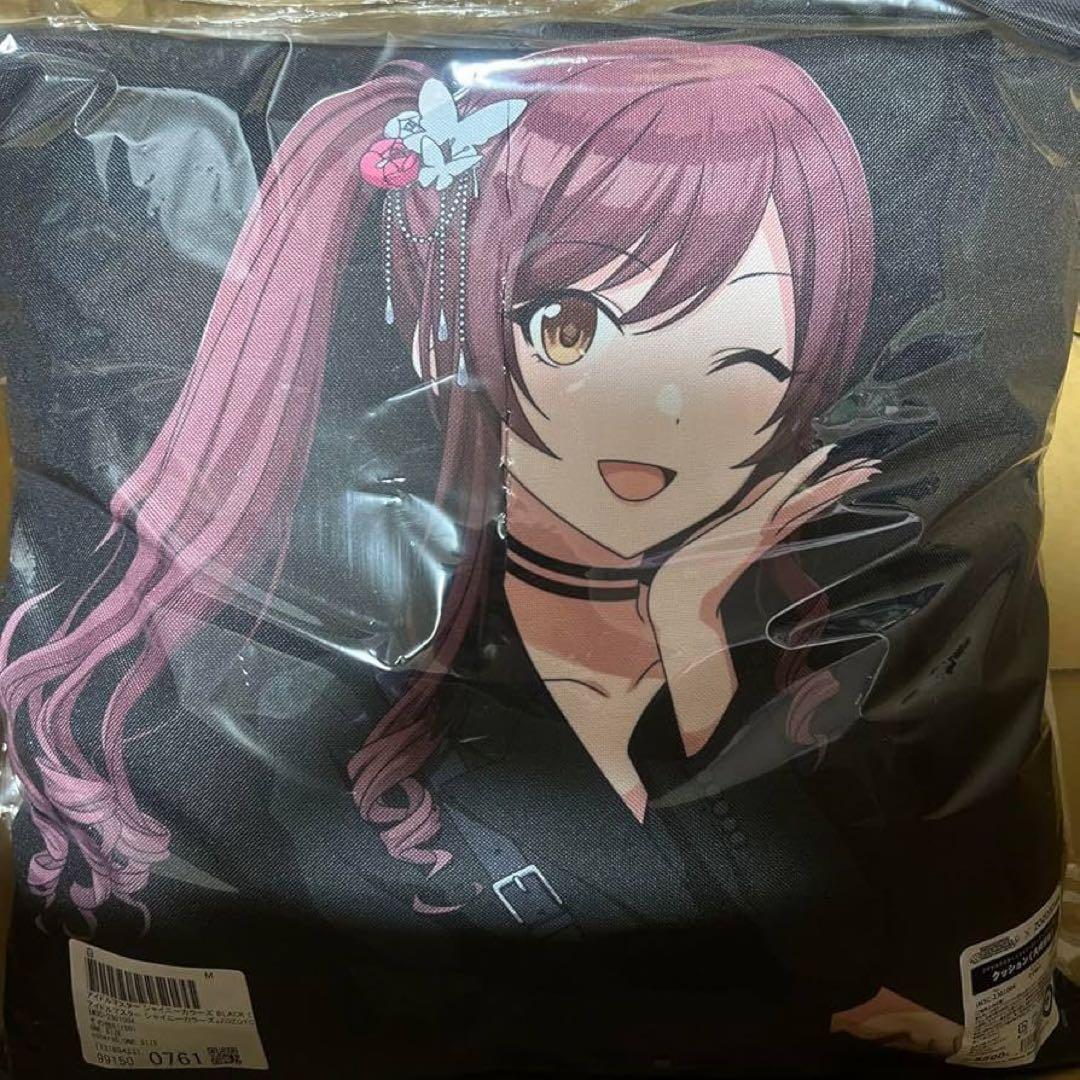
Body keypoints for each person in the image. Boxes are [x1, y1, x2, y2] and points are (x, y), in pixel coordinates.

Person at [1, 38, 972, 1063]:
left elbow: (838, 956)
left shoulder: (762, 648)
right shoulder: (313, 695)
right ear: (447, 333)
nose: (661, 407)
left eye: (745, 360)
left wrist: (689, 637)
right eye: (573, 328)